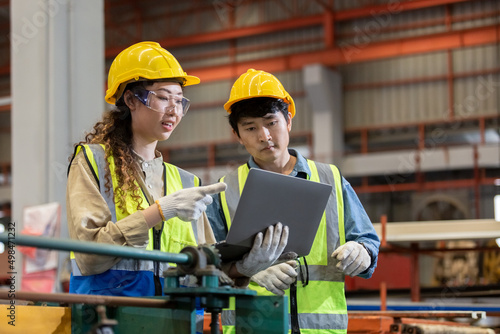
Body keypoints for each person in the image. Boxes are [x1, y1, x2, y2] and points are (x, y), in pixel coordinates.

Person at [66, 43, 288, 298]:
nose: (174, 110)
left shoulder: (184, 181)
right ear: (130, 99)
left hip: (178, 318)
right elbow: (89, 257)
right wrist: (159, 212)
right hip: (113, 317)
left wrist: (245, 269)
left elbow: (205, 268)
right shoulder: (93, 162)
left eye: (179, 100)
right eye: (163, 97)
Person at [207, 69, 380, 334]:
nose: (264, 136)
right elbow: (208, 269)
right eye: (250, 128)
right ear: (237, 135)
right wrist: (249, 274)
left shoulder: (329, 178)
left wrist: (363, 253)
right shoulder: (224, 191)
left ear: (288, 120)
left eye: (271, 122)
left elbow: (367, 240)